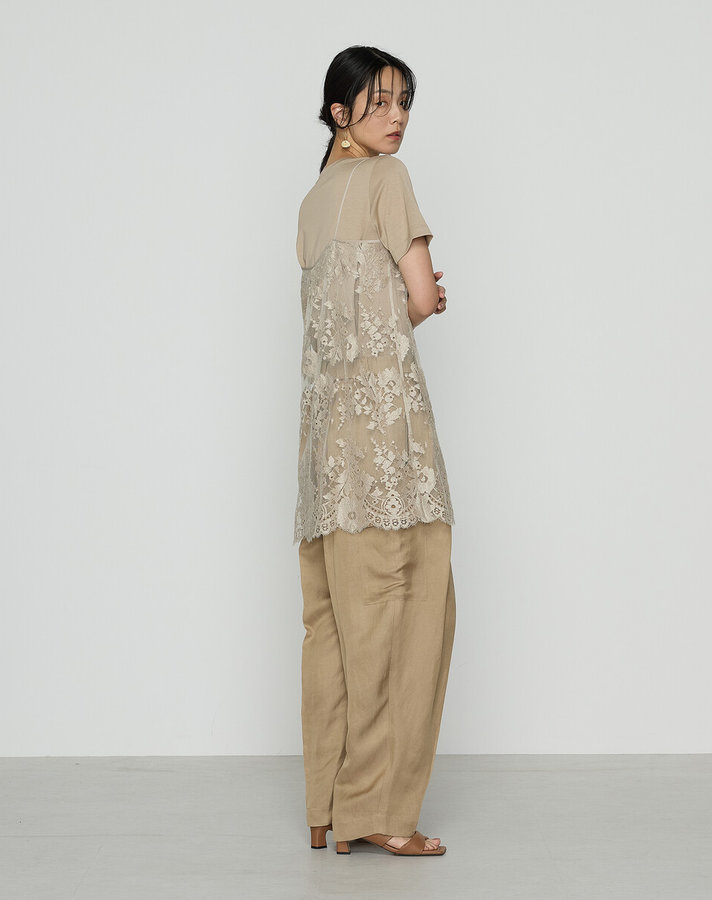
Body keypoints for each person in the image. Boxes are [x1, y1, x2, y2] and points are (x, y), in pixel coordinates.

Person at [294, 45, 456, 858]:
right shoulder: (388, 180)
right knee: (406, 621)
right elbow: (418, 296)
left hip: (325, 457)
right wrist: (424, 300)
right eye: (380, 101)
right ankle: (384, 814)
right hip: (390, 453)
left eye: (404, 102)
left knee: (333, 630)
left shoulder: (309, 203)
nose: (396, 117)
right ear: (340, 112)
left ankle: (326, 808)